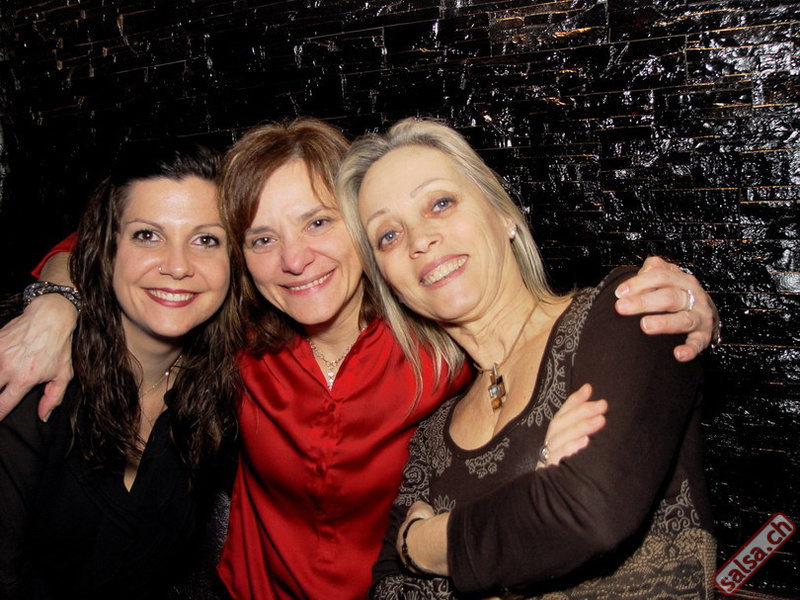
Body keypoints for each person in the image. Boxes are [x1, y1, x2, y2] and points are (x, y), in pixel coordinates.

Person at [0, 119, 718, 600]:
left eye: (319, 222)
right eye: (261, 239)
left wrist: (683, 302)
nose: (294, 259)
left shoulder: (438, 346)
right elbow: (139, 248)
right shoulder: (233, 345)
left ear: (360, 233)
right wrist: (55, 299)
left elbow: (530, 333)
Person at [337, 118, 717, 599]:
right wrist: (534, 503)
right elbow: (389, 591)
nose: (418, 240)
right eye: (388, 235)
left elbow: (588, 514)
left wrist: (421, 544)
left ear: (504, 217)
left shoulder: (622, 311)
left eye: (440, 203)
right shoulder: (430, 438)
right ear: (388, 282)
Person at [0, 142, 242, 599]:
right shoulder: (30, 374)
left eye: (206, 240)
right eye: (147, 235)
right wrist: (56, 298)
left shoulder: (216, 394)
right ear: (107, 250)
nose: (177, 266)